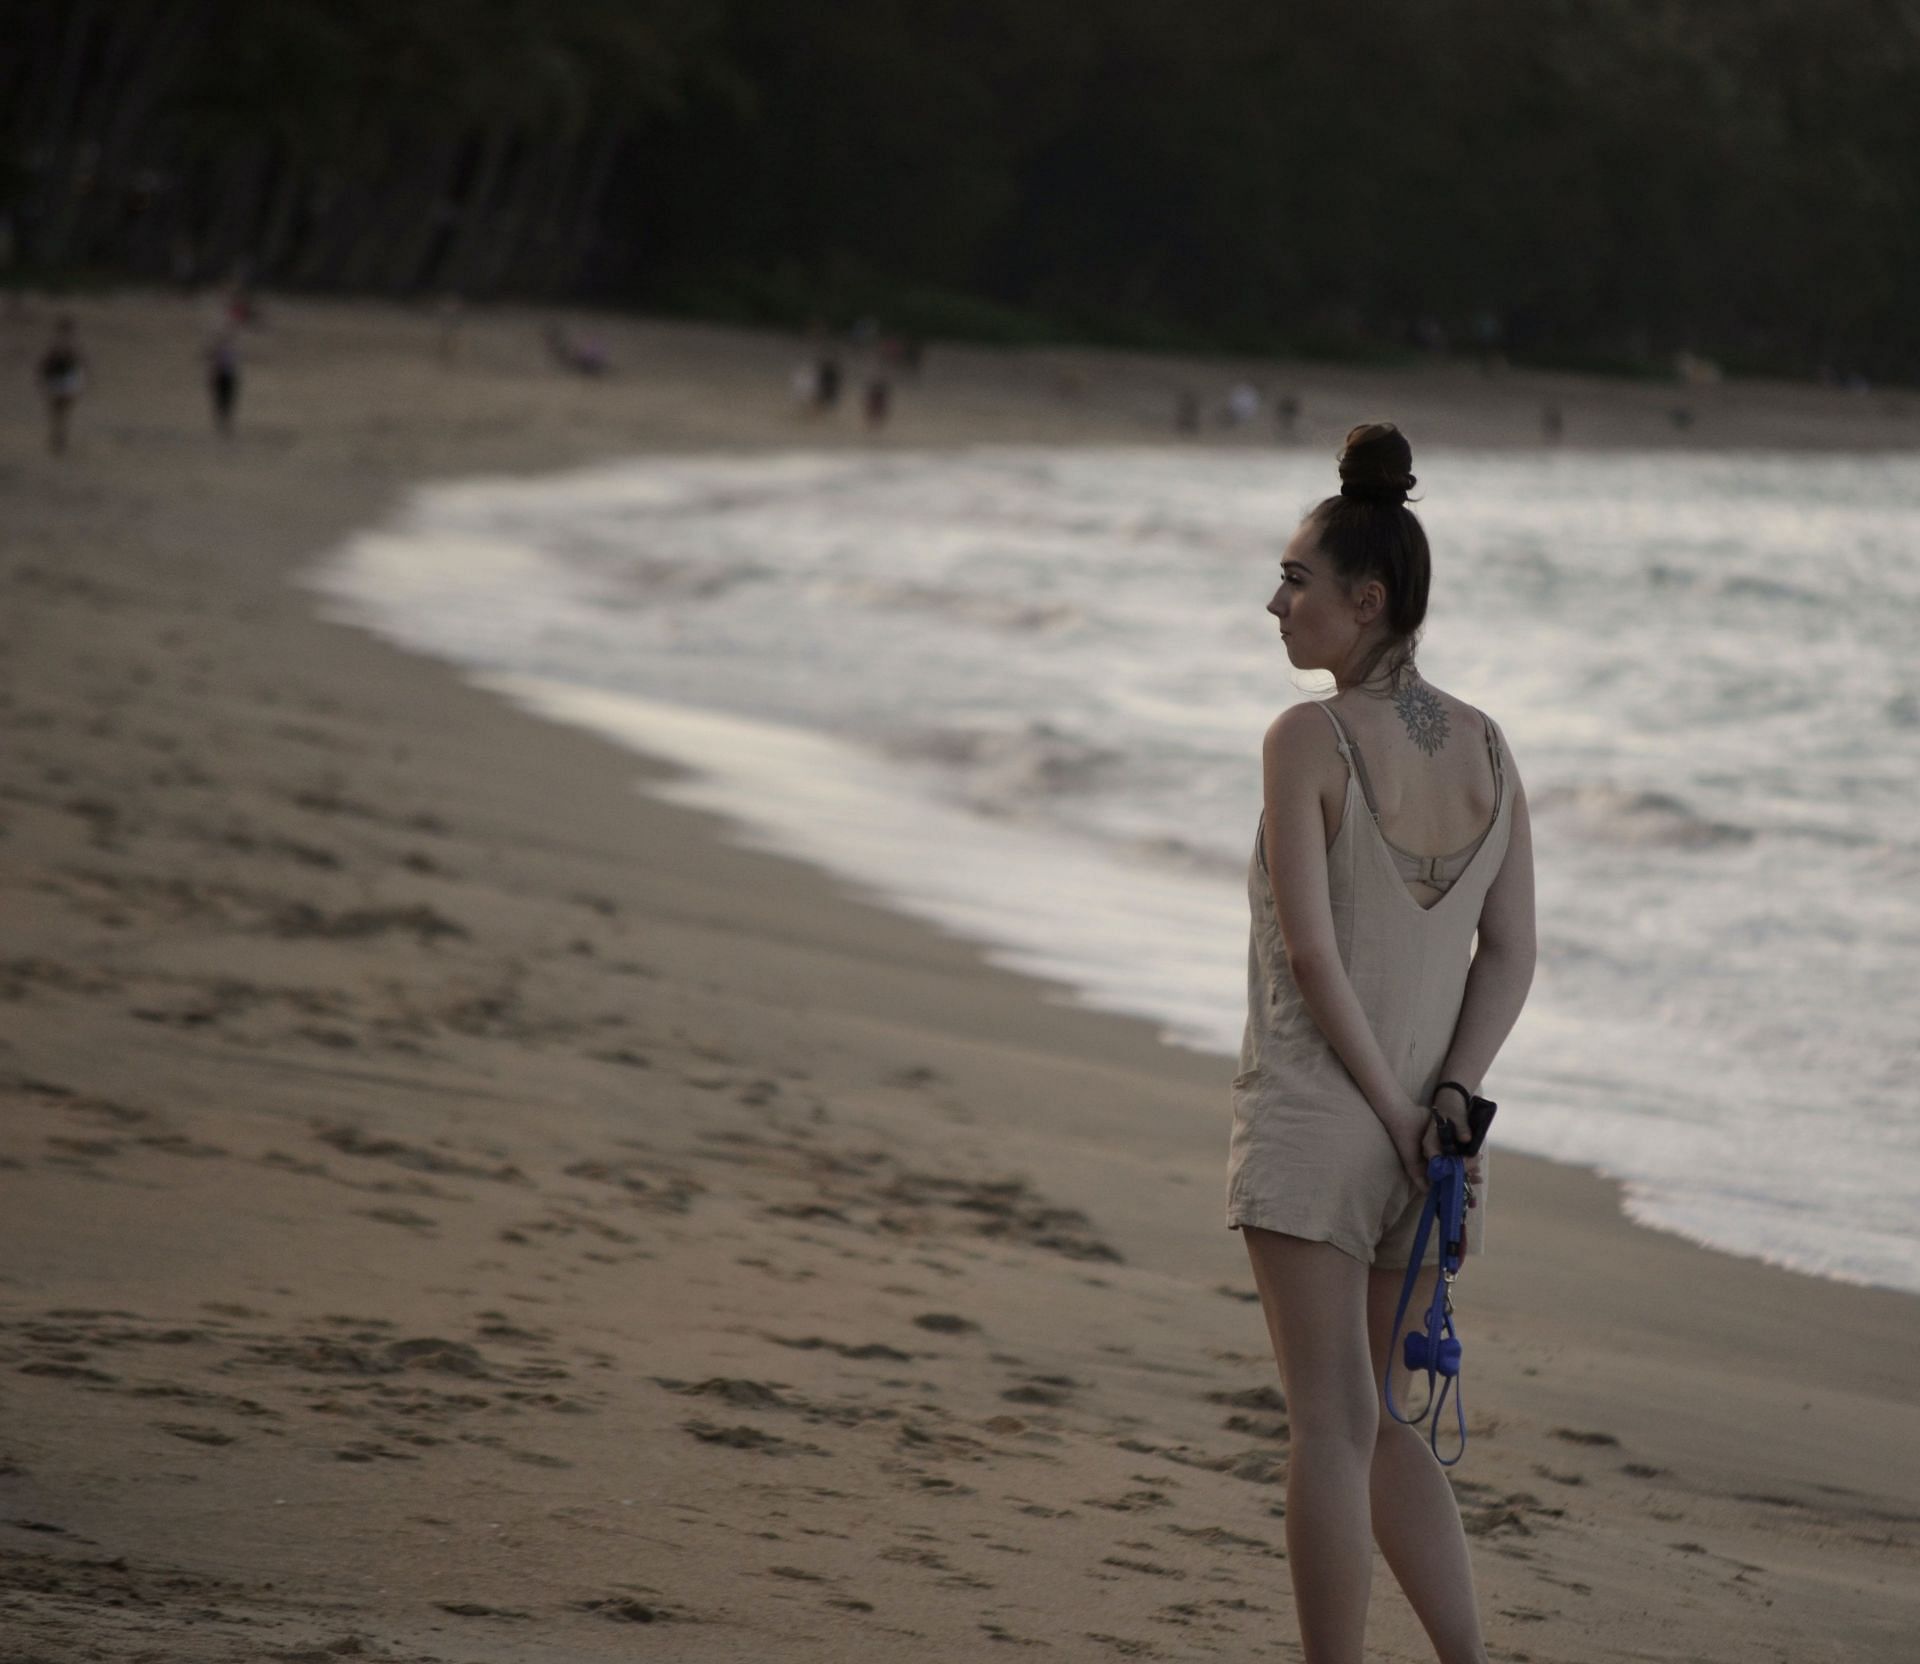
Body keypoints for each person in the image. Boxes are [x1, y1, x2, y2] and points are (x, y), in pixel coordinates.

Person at [1226, 422, 1536, 1664]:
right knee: (1388, 1421)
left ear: (1368, 599)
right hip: (1425, 1139)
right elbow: (1508, 952)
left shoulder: (1308, 737)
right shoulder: (1489, 747)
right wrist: (1444, 1096)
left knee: (1329, 1426)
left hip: (1318, 1122)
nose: (1276, 602)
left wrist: (1386, 1107)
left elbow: (1313, 956)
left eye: (1297, 581)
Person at [37, 316, 87, 454]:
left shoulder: (65, 344)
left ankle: (59, 437)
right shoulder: (60, 344)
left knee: (60, 412)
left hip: (65, 380)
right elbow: (45, 363)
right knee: (58, 412)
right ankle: (59, 437)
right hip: (59, 379)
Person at [206, 325, 242, 436]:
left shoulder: (231, 351)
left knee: (227, 401)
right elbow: (215, 367)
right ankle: (222, 423)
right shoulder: (219, 351)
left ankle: (225, 423)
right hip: (222, 377)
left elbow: (233, 367)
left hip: (228, 377)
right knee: (221, 401)